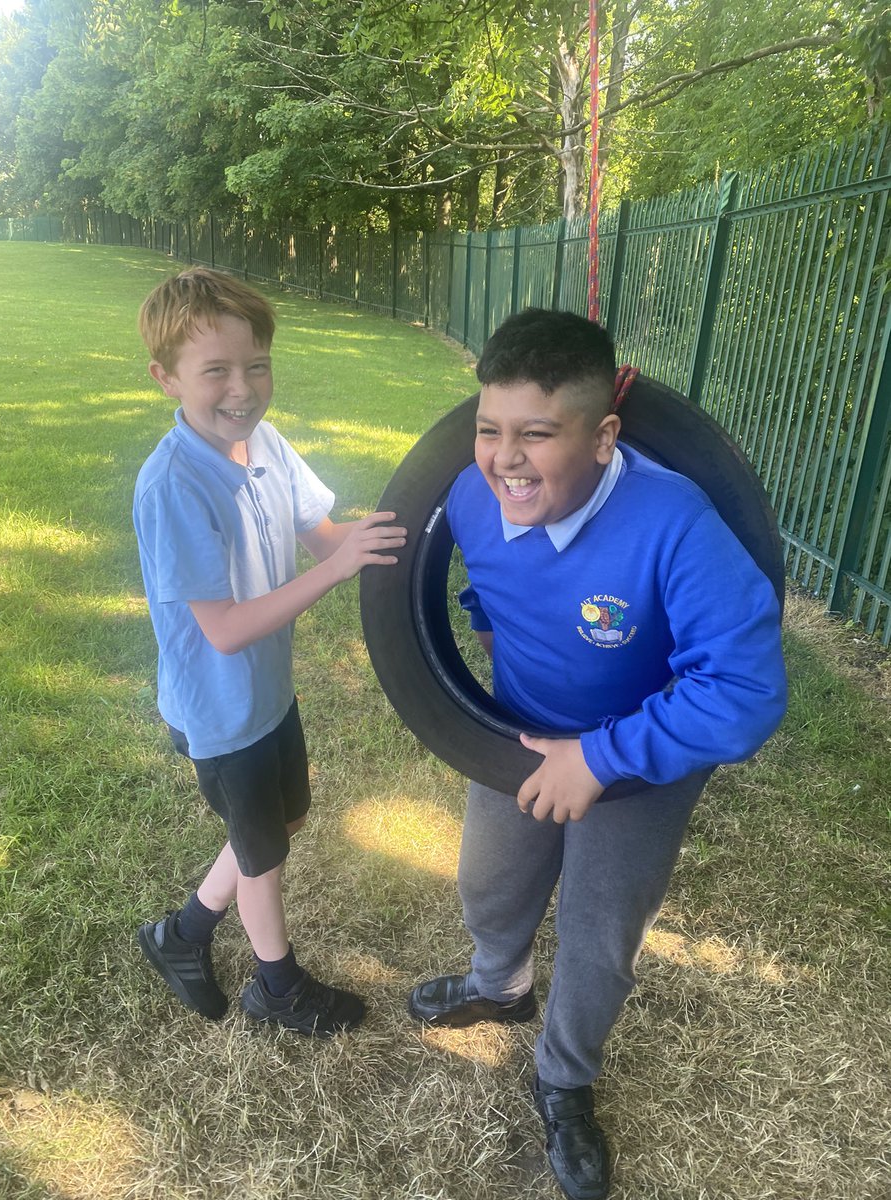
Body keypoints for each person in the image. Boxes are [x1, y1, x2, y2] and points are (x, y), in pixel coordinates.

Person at [407, 308, 787, 1198]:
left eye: (538, 434)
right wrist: (483, 631)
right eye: (490, 429)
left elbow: (745, 692)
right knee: (488, 882)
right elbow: (480, 592)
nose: (506, 458)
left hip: (640, 767)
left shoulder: (675, 523)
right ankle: (498, 986)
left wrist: (604, 757)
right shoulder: (468, 497)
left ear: (604, 434)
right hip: (520, 737)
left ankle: (565, 1077)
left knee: (599, 931)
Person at [133, 267, 405, 1036]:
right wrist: (334, 570)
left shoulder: (268, 444)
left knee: (279, 825)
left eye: (256, 365)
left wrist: (414, 524)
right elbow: (220, 628)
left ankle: (181, 936)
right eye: (214, 371)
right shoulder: (174, 485)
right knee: (262, 857)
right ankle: (277, 988)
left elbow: (326, 535)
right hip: (221, 710)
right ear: (167, 379)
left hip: (267, 692)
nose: (241, 388)